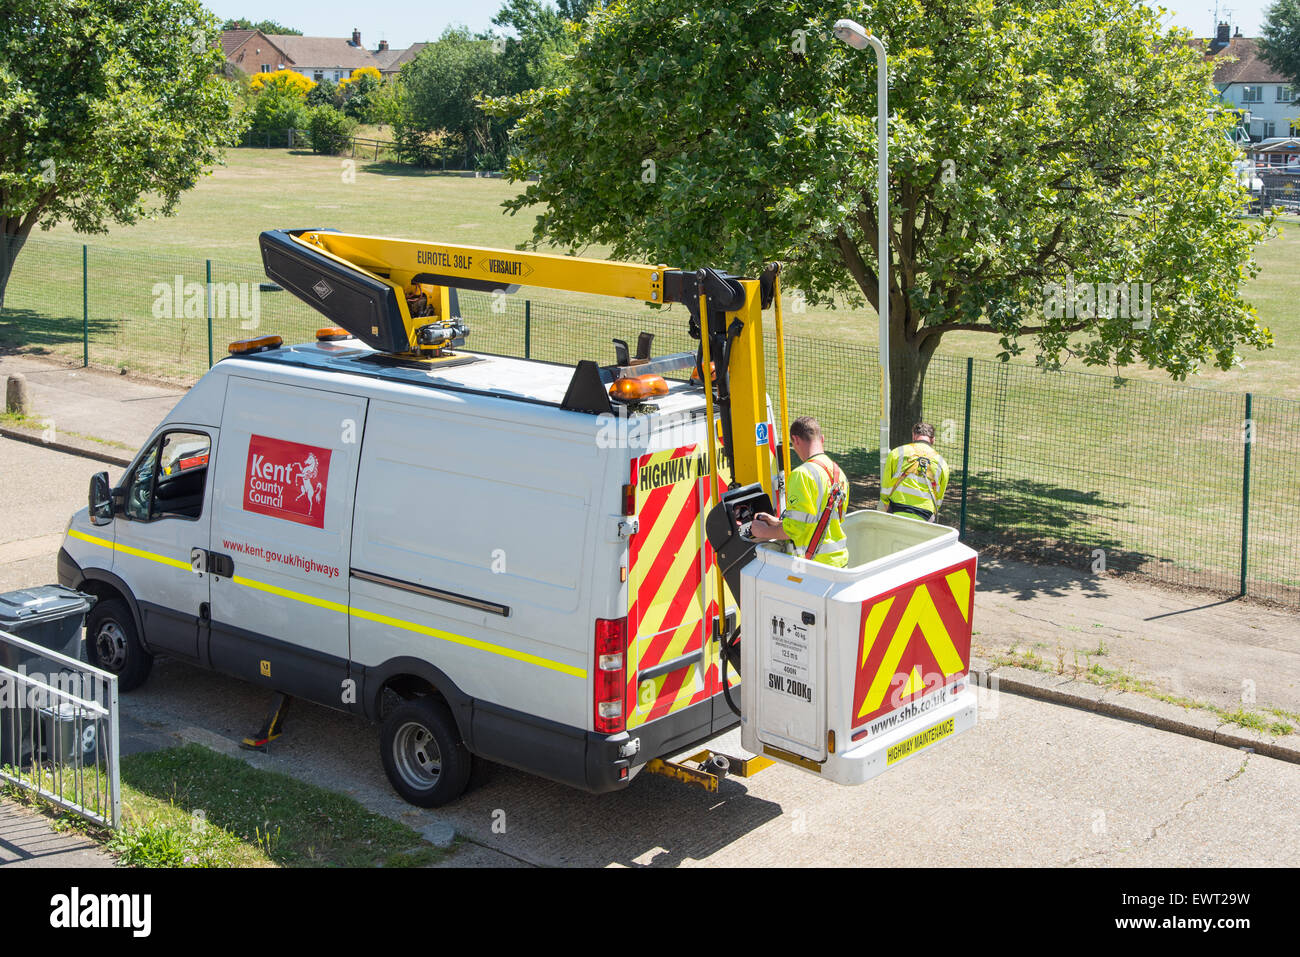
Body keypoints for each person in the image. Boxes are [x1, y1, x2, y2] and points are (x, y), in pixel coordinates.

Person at [749, 416, 850, 567]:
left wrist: (762, 532)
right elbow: (820, 520)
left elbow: (795, 529)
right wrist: (778, 523)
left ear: (795, 440)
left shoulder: (802, 474)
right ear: (821, 439)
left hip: (814, 566)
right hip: (838, 561)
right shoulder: (838, 472)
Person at [882, 422, 949, 521]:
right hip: (925, 515)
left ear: (913, 436)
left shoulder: (897, 453)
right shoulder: (942, 463)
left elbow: (886, 485)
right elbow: (939, 497)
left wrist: (886, 504)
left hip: (897, 509)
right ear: (933, 440)